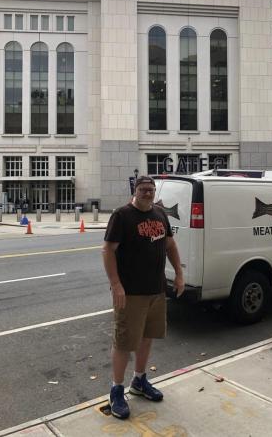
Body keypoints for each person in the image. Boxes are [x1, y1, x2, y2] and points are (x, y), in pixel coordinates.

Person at [102, 175, 184, 420]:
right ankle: (116, 389)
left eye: (150, 189)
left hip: (156, 289)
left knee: (147, 338)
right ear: (135, 191)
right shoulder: (122, 215)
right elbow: (108, 250)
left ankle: (139, 381)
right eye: (143, 189)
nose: (147, 193)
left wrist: (179, 274)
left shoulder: (160, 214)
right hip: (131, 292)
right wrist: (116, 285)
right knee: (125, 342)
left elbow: (170, 245)